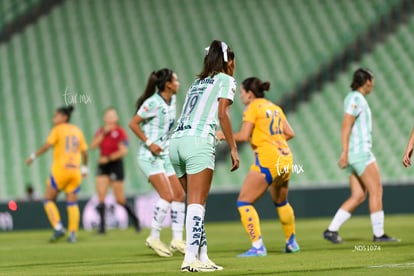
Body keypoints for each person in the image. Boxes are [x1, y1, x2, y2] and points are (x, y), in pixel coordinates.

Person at [169, 40, 239, 272]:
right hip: (198, 143)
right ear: (229, 61)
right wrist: (233, 147)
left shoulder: (196, 83)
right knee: (197, 204)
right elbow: (222, 114)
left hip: (176, 143)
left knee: (194, 203)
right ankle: (189, 260)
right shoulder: (226, 80)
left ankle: (203, 256)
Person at [217, 77, 300, 256]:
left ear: (250, 94)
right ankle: (291, 242)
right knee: (282, 202)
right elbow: (290, 133)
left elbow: (243, 135)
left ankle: (258, 246)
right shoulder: (275, 107)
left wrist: (221, 135)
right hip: (285, 158)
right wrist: (274, 141)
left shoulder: (252, 107)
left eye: (241, 93)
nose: (240, 97)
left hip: (268, 159)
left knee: (244, 201)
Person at [324, 68, 399, 243]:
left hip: (354, 153)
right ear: (366, 81)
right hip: (360, 152)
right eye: (372, 80)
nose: (374, 84)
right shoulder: (356, 99)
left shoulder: (353, 98)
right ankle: (379, 235)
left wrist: (346, 152)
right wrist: (344, 151)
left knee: (358, 195)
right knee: (376, 190)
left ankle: (331, 230)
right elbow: (346, 125)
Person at [129, 68, 186, 257]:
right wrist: (149, 143)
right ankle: (153, 236)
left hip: (165, 155)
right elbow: (133, 123)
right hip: (149, 156)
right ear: (168, 84)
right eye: (175, 80)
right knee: (167, 195)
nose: (178, 83)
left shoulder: (173, 100)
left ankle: (177, 239)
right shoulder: (152, 102)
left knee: (179, 194)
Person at [25, 105, 88, 243]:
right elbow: (84, 151)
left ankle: (58, 226)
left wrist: (33, 156)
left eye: (56, 116)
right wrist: (85, 168)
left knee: (48, 199)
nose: (54, 118)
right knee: (72, 203)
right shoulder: (77, 131)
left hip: (61, 171)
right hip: (75, 171)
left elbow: (47, 146)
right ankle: (73, 233)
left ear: (64, 117)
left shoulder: (58, 130)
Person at [90, 107, 140, 234]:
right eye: (109, 115)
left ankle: (135, 220)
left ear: (116, 118)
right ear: (105, 118)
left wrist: (108, 158)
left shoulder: (120, 132)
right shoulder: (101, 131)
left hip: (115, 165)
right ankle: (102, 228)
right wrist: (103, 134)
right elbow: (93, 146)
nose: (111, 118)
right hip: (103, 166)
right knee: (101, 196)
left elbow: (123, 150)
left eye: (113, 115)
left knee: (119, 199)